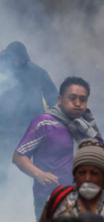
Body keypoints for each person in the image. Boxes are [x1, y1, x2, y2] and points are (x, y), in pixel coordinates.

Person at [13, 77, 104, 221]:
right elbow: (18, 156)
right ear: (60, 100)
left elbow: (101, 156)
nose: (78, 103)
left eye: (82, 99)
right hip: (50, 199)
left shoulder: (87, 126)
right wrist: (39, 174)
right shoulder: (44, 122)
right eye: (72, 98)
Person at [0, 41, 58, 186]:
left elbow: (54, 99)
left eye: (22, 61)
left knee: (38, 166)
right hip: (4, 129)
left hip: (31, 128)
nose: (20, 64)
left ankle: (39, 196)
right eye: (16, 61)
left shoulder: (37, 72)